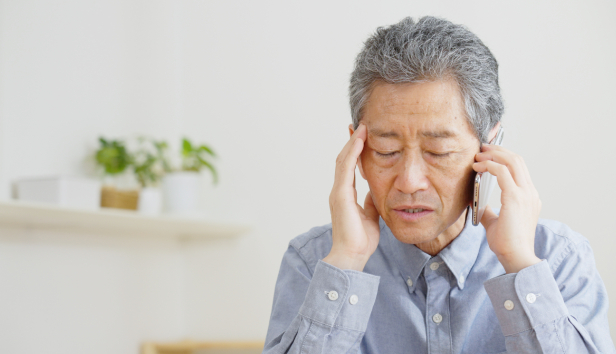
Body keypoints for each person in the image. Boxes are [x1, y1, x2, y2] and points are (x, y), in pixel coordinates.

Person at [262, 16, 616, 353]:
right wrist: (347, 262)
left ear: (490, 147)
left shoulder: (558, 259)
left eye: (439, 151)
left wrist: (519, 264)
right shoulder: (314, 262)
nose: (410, 181)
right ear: (355, 151)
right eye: (386, 151)